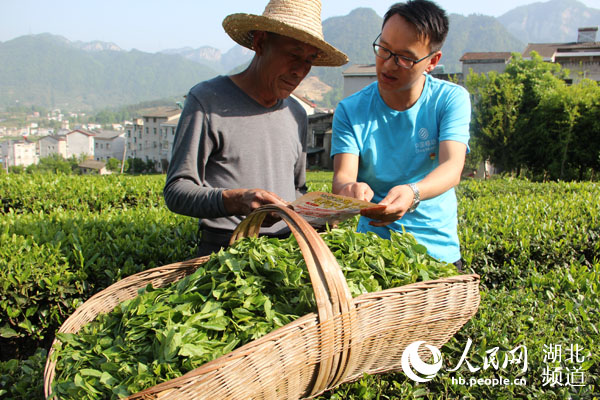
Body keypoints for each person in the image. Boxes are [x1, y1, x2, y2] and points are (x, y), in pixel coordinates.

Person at [164, 0, 348, 256]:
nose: (299, 71)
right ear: (260, 42)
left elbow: (297, 189)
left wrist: (319, 212)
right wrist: (235, 200)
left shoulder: (296, 113)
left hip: (287, 251)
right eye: (293, 55)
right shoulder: (206, 100)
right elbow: (176, 190)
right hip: (225, 253)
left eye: (309, 60)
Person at [330, 0, 471, 268]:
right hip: (373, 258)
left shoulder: (450, 100)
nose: (388, 65)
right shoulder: (350, 111)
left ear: (432, 61)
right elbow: (342, 179)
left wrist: (412, 192)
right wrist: (351, 190)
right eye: (383, 49)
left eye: (405, 58)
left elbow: (452, 167)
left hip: (438, 253)